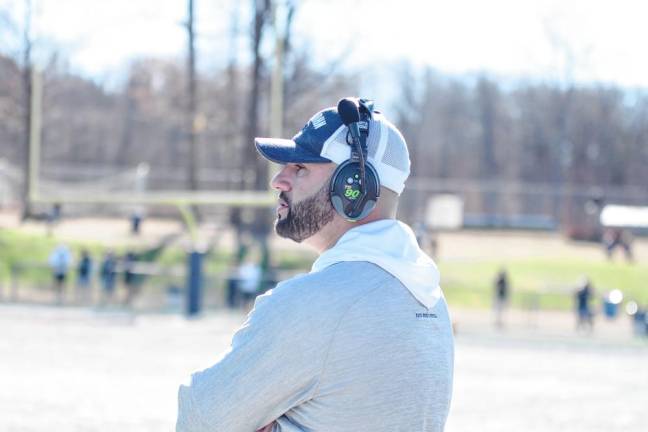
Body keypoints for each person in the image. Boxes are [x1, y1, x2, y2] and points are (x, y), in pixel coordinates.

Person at [177, 98, 454, 431]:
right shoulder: (431, 300)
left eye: (300, 168)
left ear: (353, 187)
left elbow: (199, 420)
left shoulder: (312, 304)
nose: (278, 180)